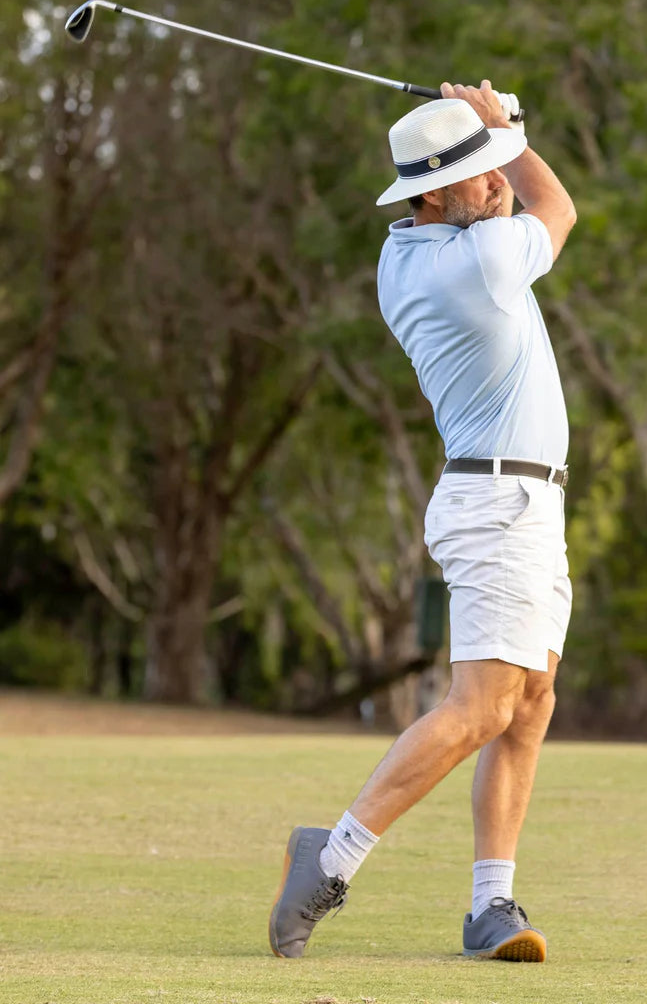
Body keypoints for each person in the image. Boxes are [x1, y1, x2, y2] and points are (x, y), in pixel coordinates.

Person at [269, 79, 576, 963]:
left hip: (522, 503)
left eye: (493, 168)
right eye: (479, 175)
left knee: (528, 705)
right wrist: (506, 128)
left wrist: (488, 138)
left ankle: (490, 908)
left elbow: (503, 201)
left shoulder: (407, 251)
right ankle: (330, 859)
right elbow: (556, 207)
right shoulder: (477, 263)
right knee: (481, 708)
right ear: (435, 196)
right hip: (498, 505)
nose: (497, 182)